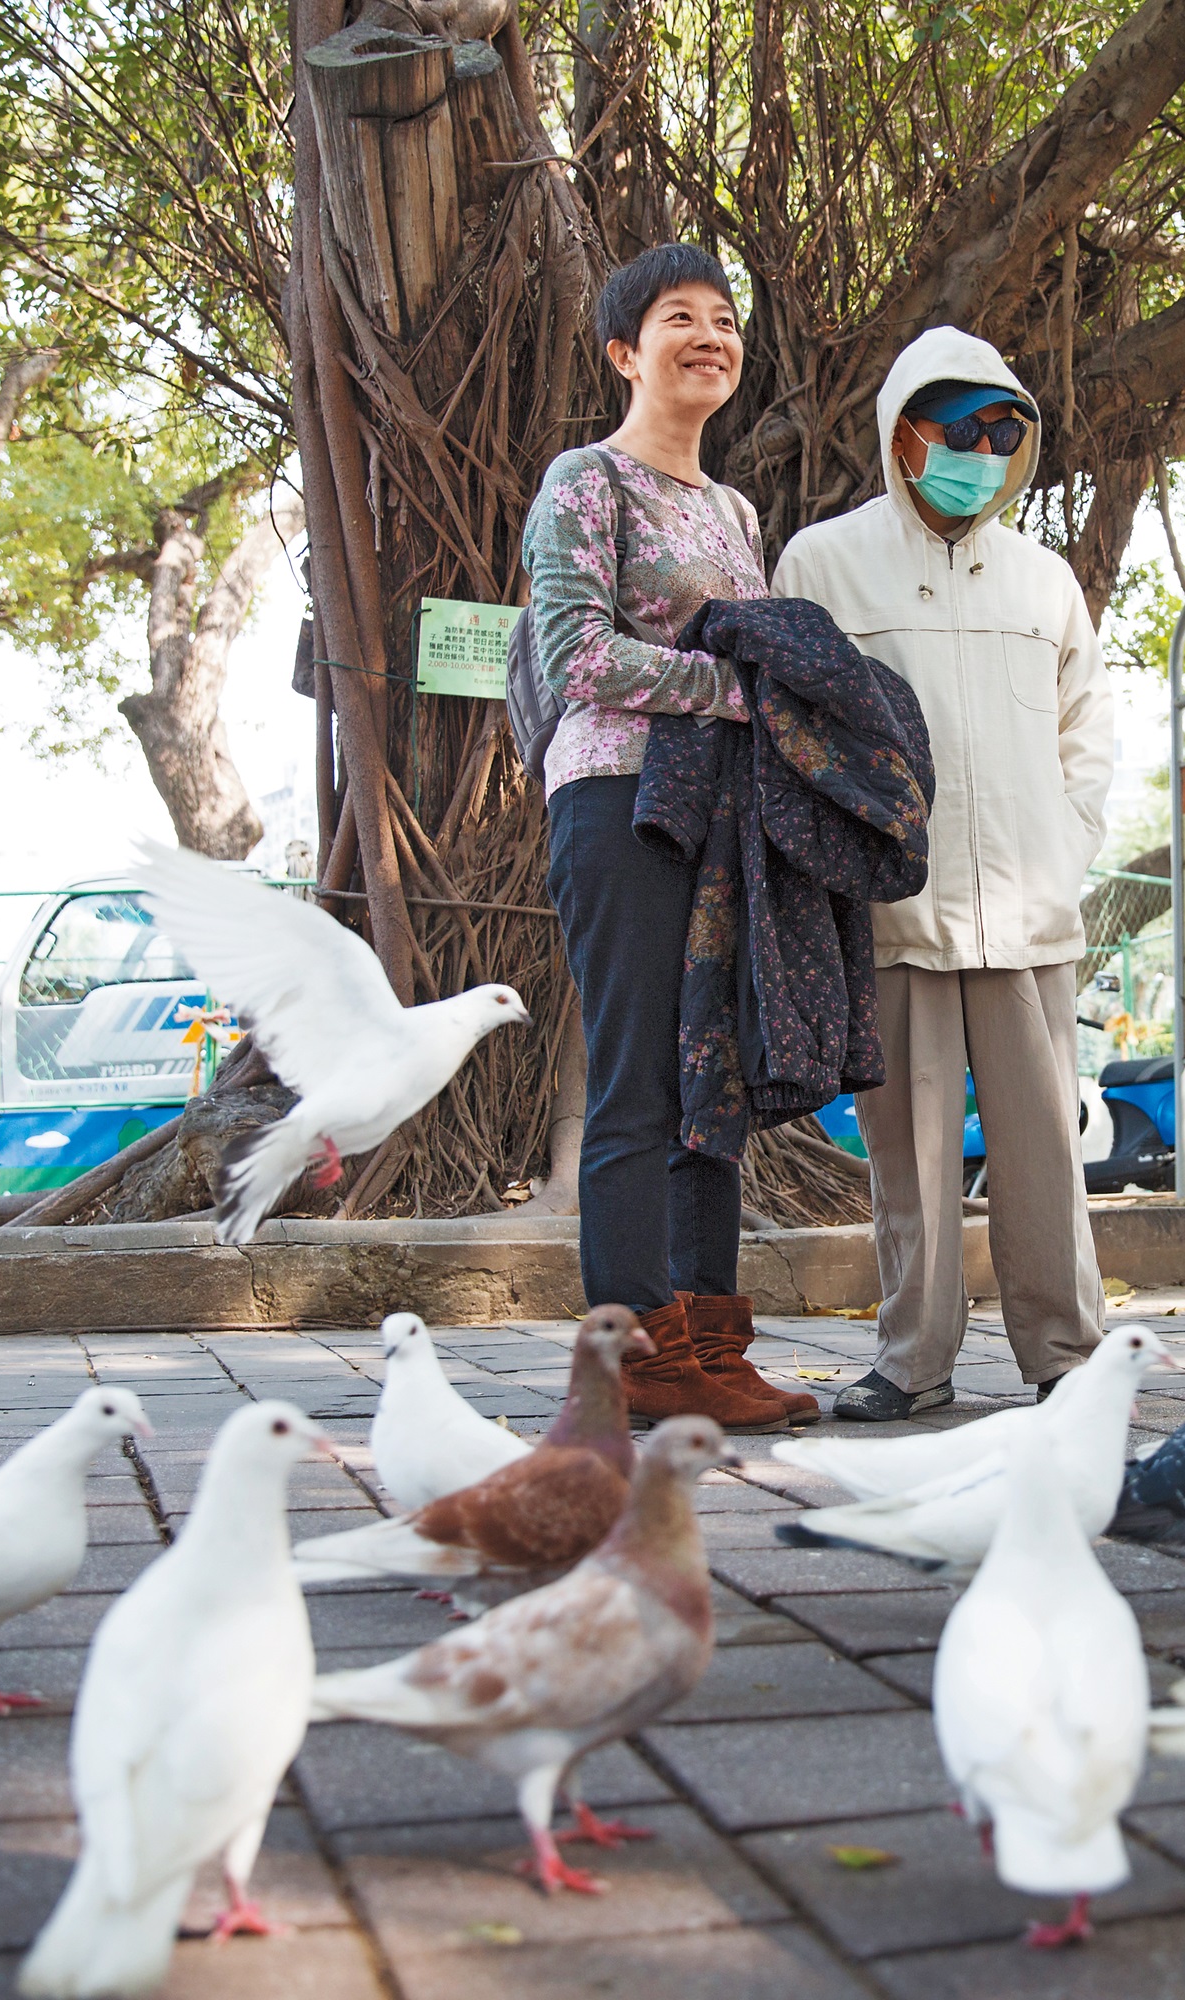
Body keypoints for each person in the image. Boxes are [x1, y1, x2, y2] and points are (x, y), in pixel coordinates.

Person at [773, 328, 1116, 1418]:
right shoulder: (824, 563)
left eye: (1003, 431)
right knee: (909, 1160)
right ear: (903, 432)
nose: (983, 449)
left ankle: (1066, 1353)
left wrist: (1068, 843)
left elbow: (1086, 731)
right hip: (896, 907)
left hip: (1028, 912)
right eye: (961, 428)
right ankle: (912, 1360)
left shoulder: (1045, 579)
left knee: (1043, 1155)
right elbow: (794, 725)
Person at [520, 243, 815, 1432]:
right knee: (640, 1082)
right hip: (616, 804)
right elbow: (576, 655)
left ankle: (712, 1345)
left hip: (719, 819)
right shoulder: (586, 482)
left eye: (725, 318)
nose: (709, 335)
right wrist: (741, 691)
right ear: (622, 353)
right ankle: (638, 1356)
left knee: (714, 1084)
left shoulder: (735, 509)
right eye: (677, 317)